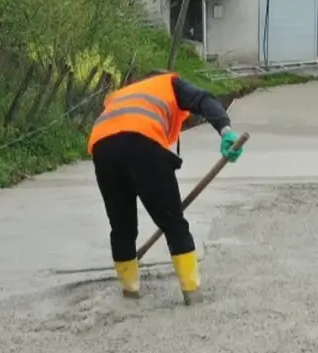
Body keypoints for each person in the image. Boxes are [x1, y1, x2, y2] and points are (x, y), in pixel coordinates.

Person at [86, 70, 245, 306]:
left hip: (102, 147)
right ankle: (193, 294)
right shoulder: (170, 83)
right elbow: (205, 99)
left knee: (122, 228)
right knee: (174, 224)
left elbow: (118, 129)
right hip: (143, 142)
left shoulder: (120, 94)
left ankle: (130, 294)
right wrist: (226, 130)